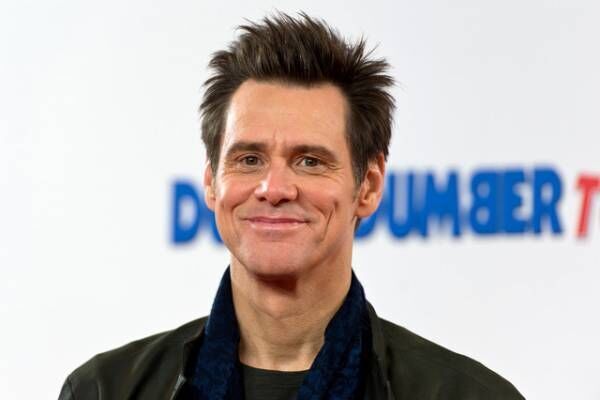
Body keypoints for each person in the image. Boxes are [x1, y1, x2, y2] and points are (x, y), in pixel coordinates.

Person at [59, 12, 524, 400]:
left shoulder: (469, 395)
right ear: (212, 182)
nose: (274, 187)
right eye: (249, 159)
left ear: (368, 186)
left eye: (309, 161)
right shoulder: (105, 390)